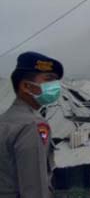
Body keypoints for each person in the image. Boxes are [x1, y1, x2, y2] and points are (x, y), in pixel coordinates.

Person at [0, 51, 64, 197]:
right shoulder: (32, 125)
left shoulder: (4, 121)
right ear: (26, 86)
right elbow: (35, 189)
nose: (55, 86)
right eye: (49, 80)